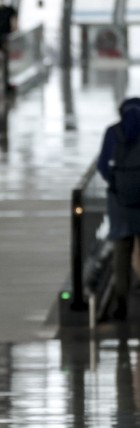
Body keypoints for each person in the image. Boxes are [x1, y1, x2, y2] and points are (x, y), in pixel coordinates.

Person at [97, 98, 140, 320]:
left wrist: (117, 184)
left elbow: (102, 166)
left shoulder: (114, 133)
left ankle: (121, 303)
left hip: (120, 204)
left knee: (121, 253)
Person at [0, 0, 19, 92]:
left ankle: (5, 82)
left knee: (7, 62)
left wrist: (14, 36)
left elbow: (14, 24)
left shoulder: (10, 10)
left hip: (7, 39)